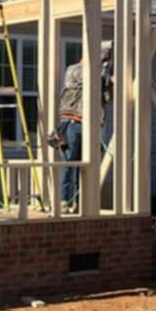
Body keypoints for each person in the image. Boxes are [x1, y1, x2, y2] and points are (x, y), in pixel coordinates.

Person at [55, 42, 113, 211]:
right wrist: (103, 72)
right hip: (72, 123)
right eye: (101, 59)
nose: (102, 63)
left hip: (90, 125)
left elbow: (106, 97)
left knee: (85, 166)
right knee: (69, 163)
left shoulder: (100, 76)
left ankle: (80, 203)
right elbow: (85, 80)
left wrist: (110, 81)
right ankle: (64, 200)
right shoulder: (73, 69)